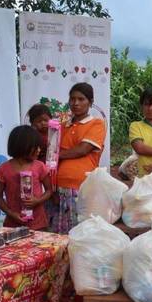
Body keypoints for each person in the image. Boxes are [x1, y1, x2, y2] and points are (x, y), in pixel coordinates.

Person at [54, 82, 106, 233]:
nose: (75, 103)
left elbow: (83, 149)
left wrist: (56, 155)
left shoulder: (97, 124)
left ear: (90, 102)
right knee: (58, 234)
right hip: (58, 188)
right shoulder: (62, 126)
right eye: (72, 99)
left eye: (81, 99)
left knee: (79, 234)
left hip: (81, 187)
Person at [0, 125, 52, 230]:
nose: (39, 150)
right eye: (36, 147)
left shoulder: (40, 166)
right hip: (13, 225)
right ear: (23, 146)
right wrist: (11, 213)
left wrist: (37, 201)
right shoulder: (3, 169)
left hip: (38, 224)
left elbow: (49, 190)